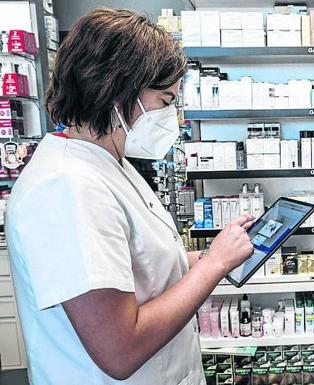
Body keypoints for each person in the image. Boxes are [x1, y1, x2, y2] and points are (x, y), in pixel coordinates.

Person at [6, 8, 254, 385]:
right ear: (119, 91)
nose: (174, 116)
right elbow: (119, 350)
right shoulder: (66, 187)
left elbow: (139, 266)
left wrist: (208, 254)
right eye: (166, 100)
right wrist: (213, 266)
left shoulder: (110, 162)